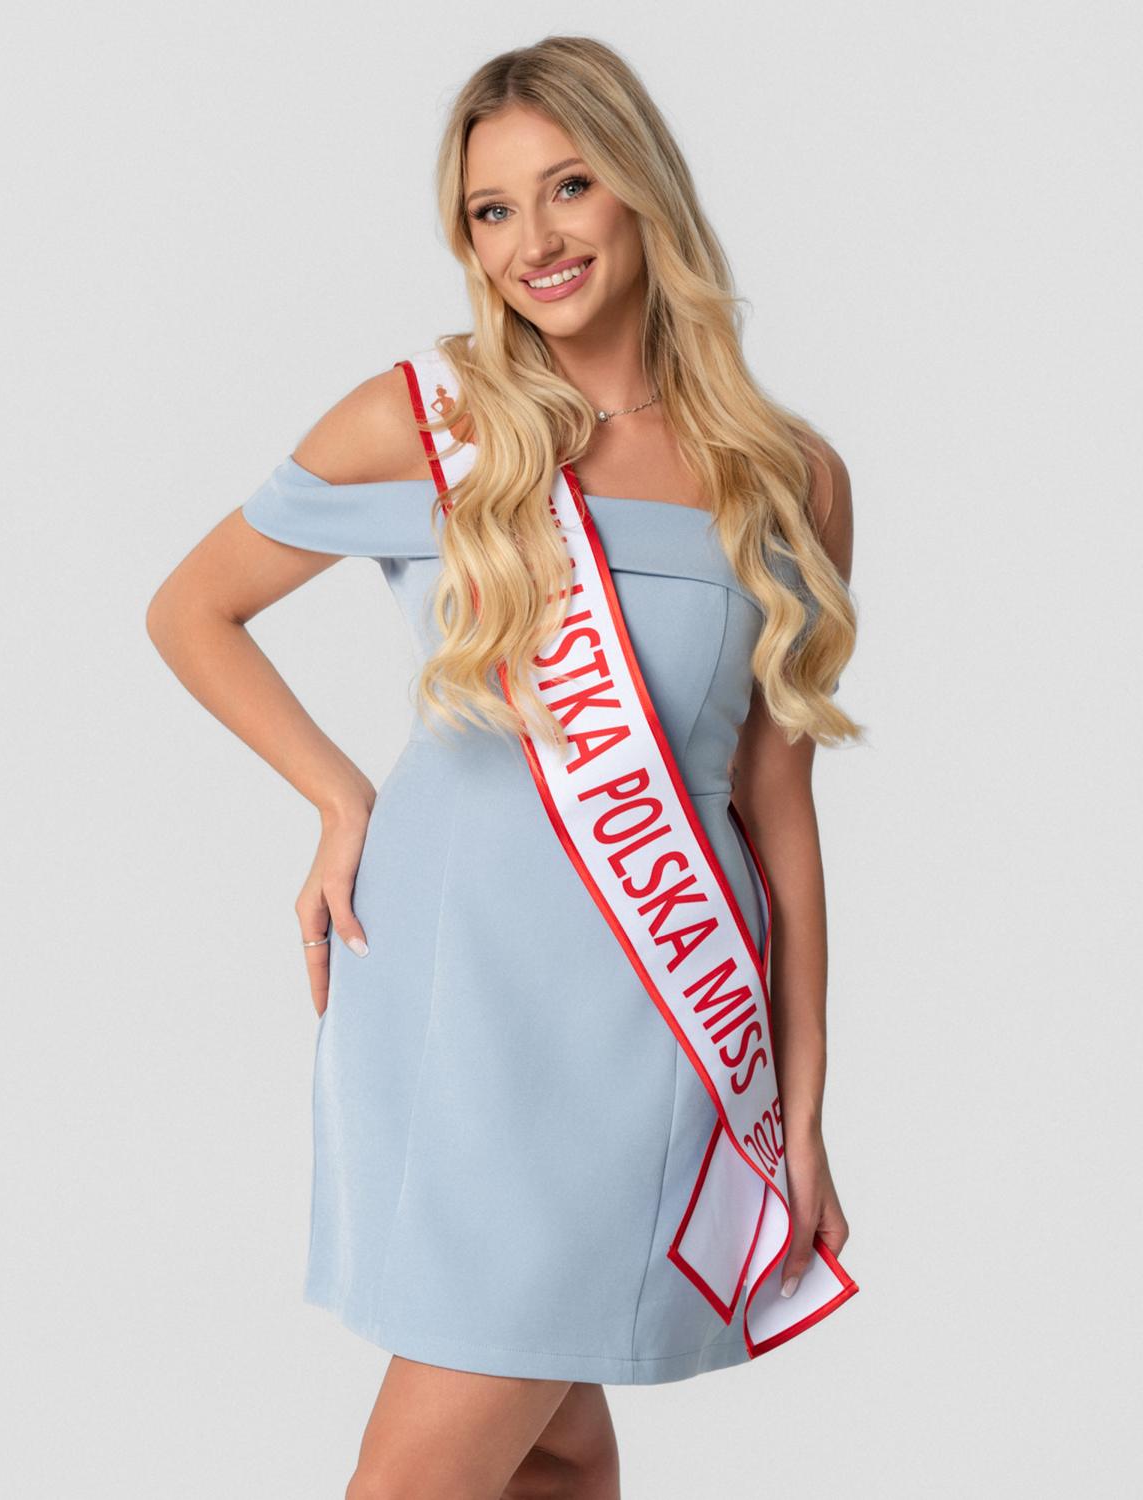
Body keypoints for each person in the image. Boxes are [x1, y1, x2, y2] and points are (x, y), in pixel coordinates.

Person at [146, 34, 861, 1500]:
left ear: (642, 188)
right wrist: (339, 795)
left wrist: (797, 1112)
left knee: (540, 1445)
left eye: (569, 186)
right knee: (503, 1450)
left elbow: (778, 811)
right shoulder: (425, 426)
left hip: (656, 1014)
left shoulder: (790, 475)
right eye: (492, 209)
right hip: (451, 999)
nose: (535, 238)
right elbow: (191, 609)